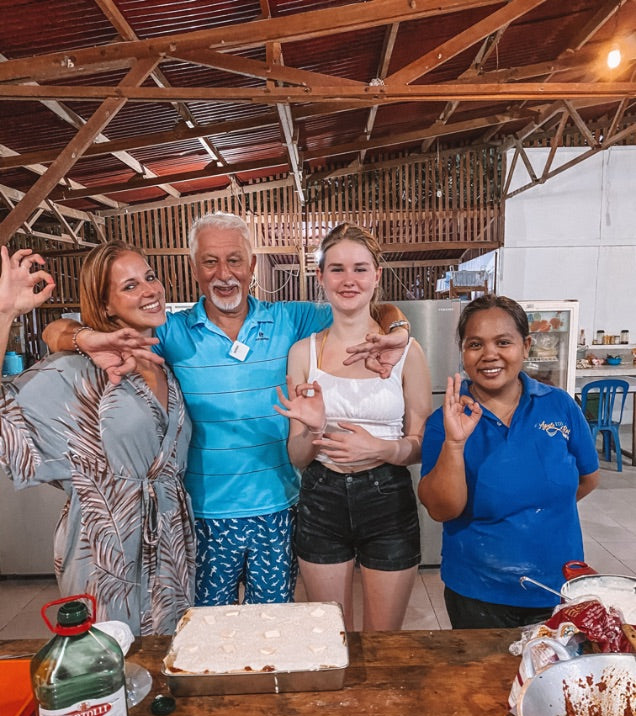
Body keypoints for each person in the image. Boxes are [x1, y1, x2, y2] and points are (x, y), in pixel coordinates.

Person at [42, 212, 410, 608]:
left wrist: (398, 331)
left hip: (278, 511)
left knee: (271, 632)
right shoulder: (170, 330)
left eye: (235, 260)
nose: (224, 274)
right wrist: (85, 335)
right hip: (201, 516)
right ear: (194, 267)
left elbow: (379, 310)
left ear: (252, 265)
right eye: (210, 261)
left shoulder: (292, 319)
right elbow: (55, 331)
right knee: (206, 632)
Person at [1, 242, 195, 636]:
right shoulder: (79, 372)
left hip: (173, 549)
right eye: (129, 286)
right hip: (106, 552)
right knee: (106, 673)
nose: (149, 290)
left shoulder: (165, 363)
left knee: (165, 673)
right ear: (105, 305)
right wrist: (6, 313)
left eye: (150, 277)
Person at [274, 224, 432, 630]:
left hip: (388, 497)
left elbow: (420, 444)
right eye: (337, 269)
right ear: (321, 277)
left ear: (377, 275)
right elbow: (297, 457)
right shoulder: (302, 353)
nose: (349, 281)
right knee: (328, 635)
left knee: (384, 640)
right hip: (321, 498)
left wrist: (382, 449)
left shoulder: (405, 351)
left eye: (360, 269)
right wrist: (310, 431)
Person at [418, 294, 599, 629]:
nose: (489, 354)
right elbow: (442, 510)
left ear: (525, 346)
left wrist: (538, 509)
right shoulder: (443, 420)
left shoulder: (560, 406)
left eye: (503, 342)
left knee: (551, 678)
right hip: (477, 592)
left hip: (559, 586)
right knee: (484, 681)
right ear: (463, 351)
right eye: (475, 344)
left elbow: (588, 478)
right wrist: (455, 442)